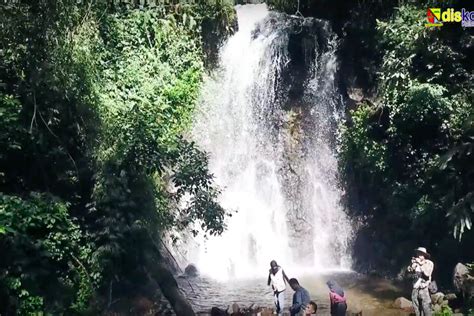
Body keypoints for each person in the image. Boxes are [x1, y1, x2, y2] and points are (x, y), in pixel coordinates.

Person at [407, 247, 434, 316]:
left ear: (425, 255)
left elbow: (427, 274)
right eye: (418, 253)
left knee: (426, 307)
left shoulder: (429, 263)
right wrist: (411, 266)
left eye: (421, 254)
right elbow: (408, 272)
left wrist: (420, 264)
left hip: (424, 288)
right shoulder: (414, 262)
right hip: (415, 287)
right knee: (416, 306)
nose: (419, 255)